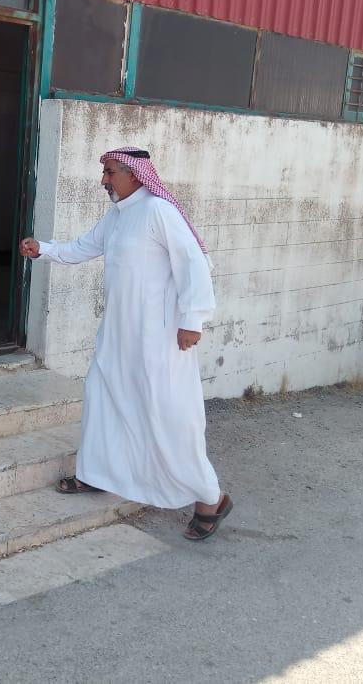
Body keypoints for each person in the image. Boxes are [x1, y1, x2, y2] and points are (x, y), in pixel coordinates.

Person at [19, 146, 233, 541]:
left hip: (159, 339)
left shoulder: (158, 211)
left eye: (110, 172)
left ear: (135, 174)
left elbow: (194, 263)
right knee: (103, 398)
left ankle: (210, 498)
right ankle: (97, 473)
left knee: (168, 414)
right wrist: (44, 249)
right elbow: (85, 246)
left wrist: (192, 320)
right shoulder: (118, 214)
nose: (103, 180)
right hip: (118, 333)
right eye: (104, 172)